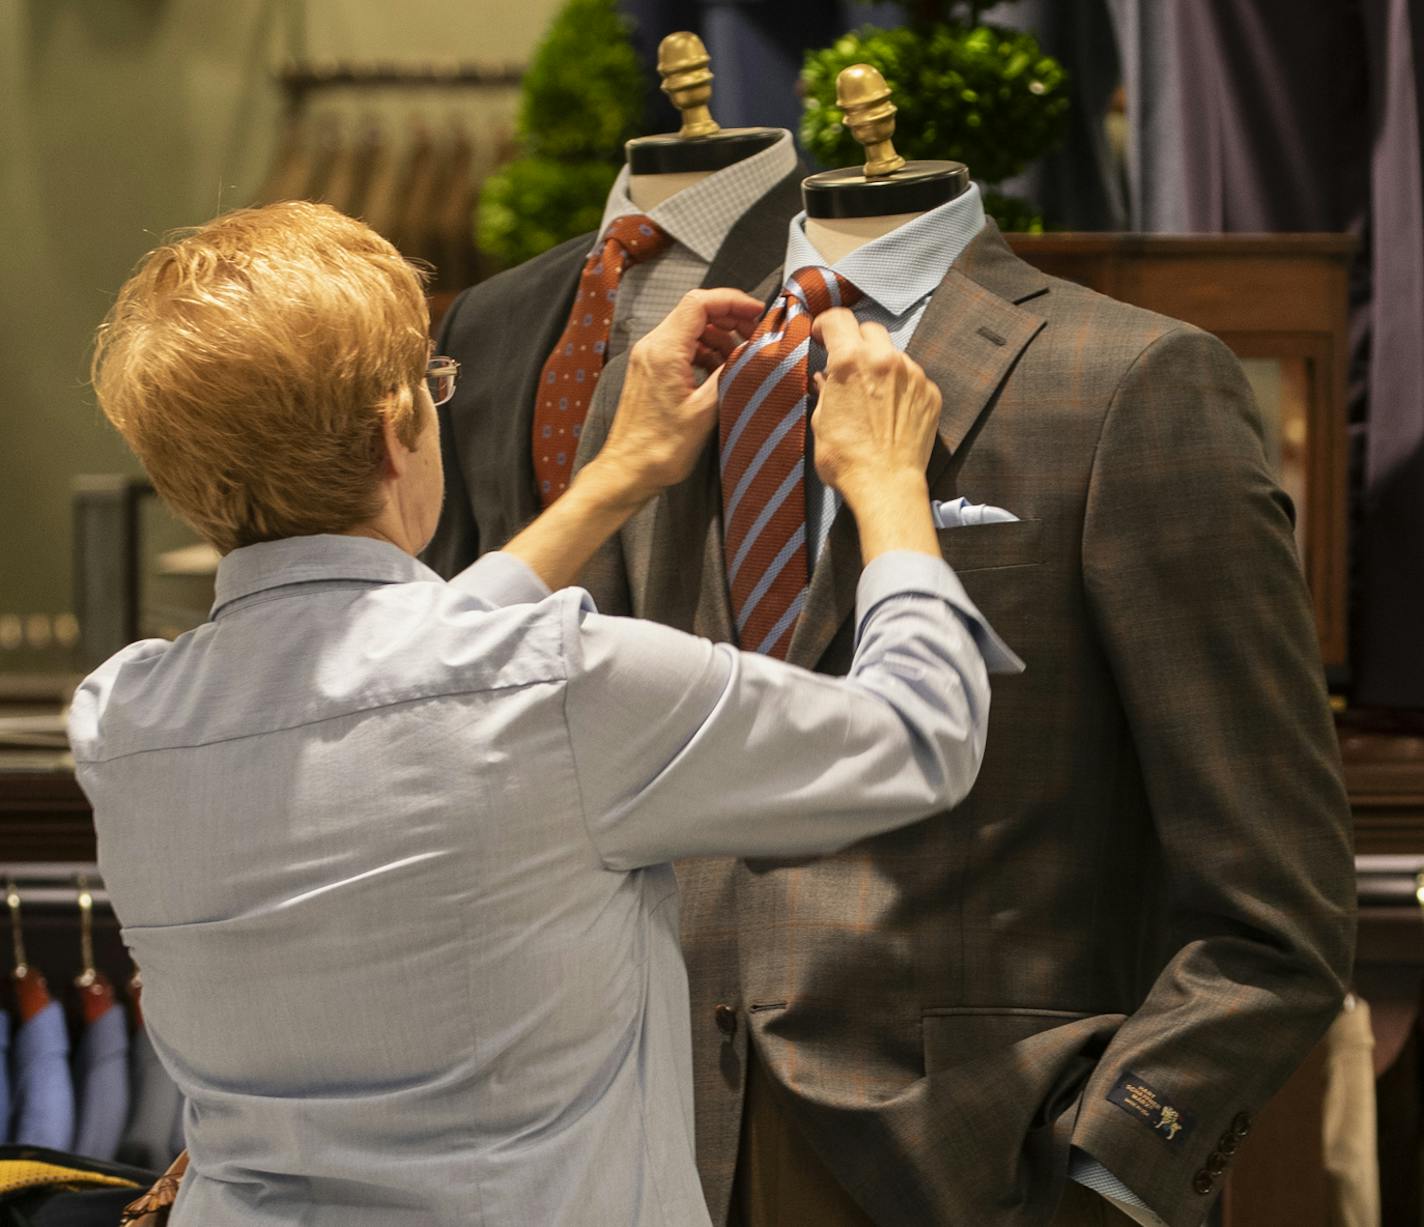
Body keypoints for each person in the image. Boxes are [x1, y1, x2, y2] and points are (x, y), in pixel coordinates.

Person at [68, 200, 1016, 1226]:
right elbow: (919, 741)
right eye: (436, 389)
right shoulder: (564, 686)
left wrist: (615, 477)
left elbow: (388, 682)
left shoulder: (122, 721)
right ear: (397, 435)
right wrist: (885, 483)